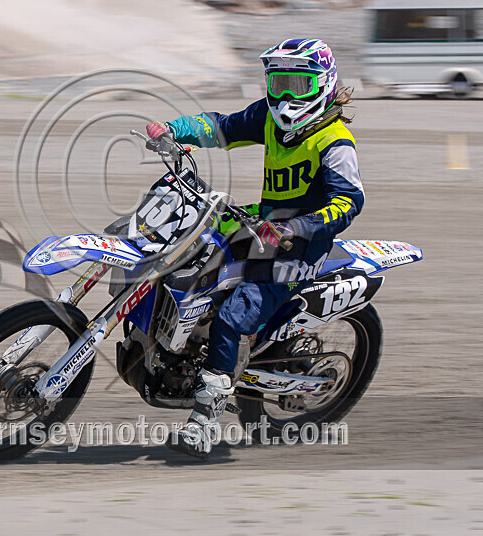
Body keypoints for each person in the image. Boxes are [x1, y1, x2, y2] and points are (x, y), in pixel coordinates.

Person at [145, 38, 365, 459]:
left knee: (233, 315)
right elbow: (221, 127)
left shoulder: (335, 142)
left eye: (297, 85)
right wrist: (174, 130)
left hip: (298, 248)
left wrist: (297, 227)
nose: (285, 95)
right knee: (186, 246)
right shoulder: (268, 116)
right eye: (278, 82)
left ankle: (206, 421)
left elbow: (349, 202)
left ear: (323, 85)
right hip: (262, 222)